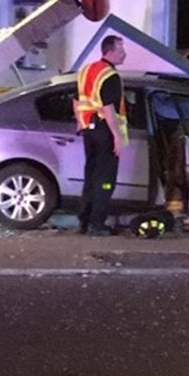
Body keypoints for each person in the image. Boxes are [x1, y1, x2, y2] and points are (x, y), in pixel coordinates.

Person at [74, 35, 128, 236]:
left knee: (91, 175)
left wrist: (81, 124)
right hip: (105, 130)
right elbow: (108, 108)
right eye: (121, 50)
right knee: (105, 179)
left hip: (89, 129)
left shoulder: (86, 70)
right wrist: (117, 137)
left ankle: (84, 222)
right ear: (110, 52)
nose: (124, 54)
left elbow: (76, 100)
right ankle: (98, 223)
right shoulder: (110, 76)